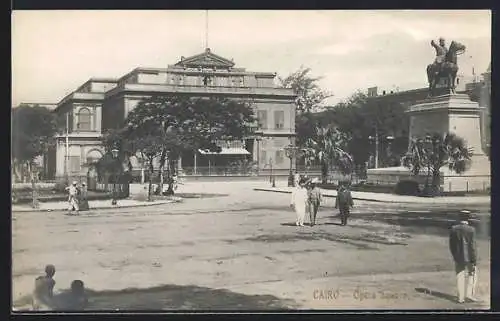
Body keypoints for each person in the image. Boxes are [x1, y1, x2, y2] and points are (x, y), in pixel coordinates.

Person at [449, 210, 479, 303]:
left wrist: (454, 255)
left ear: (459, 217)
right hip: (469, 256)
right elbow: (472, 246)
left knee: (459, 275)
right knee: (472, 274)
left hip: (458, 256)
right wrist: (474, 258)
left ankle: (460, 297)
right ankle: (469, 294)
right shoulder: (471, 229)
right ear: (468, 218)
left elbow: (452, 245)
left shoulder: (454, 228)